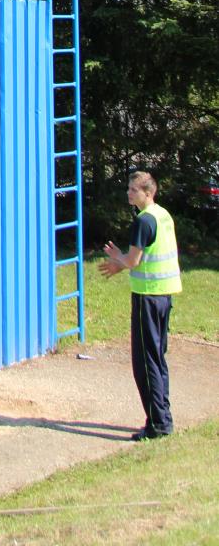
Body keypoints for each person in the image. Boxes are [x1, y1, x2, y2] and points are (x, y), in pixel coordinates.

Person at [100, 169, 181, 440]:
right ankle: (163, 417)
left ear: (148, 192)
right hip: (163, 294)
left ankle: (157, 424)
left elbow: (134, 261)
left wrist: (118, 259)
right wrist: (120, 263)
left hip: (148, 296)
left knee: (145, 363)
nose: (129, 193)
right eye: (129, 189)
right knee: (157, 358)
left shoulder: (144, 221)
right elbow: (145, 257)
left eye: (134, 190)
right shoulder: (163, 215)